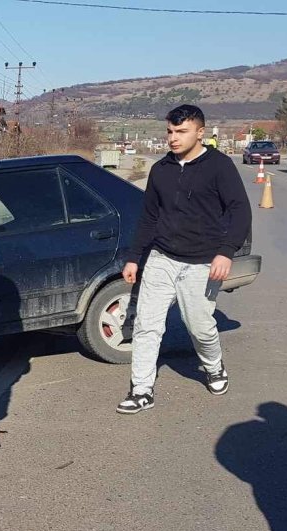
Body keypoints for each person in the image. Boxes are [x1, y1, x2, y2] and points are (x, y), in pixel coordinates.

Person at [118, 104, 250, 414]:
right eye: (170, 131)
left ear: (200, 132)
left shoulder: (219, 166)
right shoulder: (161, 169)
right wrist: (135, 258)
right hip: (162, 258)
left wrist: (226, 251)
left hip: (203, 262)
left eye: (181, 131)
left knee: (199, 326)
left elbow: (240, 211)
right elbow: (149, 217)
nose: (173, 138)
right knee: (147, 325)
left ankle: (214, 366)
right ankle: (141, 389)